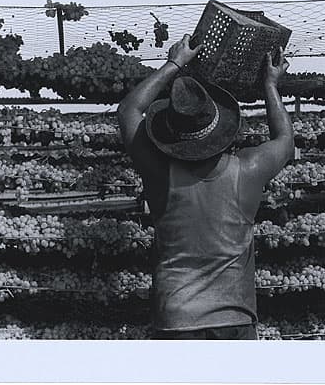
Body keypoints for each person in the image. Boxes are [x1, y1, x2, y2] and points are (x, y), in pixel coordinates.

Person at [117, 34, 293, 340]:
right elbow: (284, 142)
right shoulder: (248, 169)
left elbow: (128, 111)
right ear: (218, 124)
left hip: (176, 320)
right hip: (234, 320)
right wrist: (270, 85)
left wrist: (174, 63)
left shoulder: (160, 173)